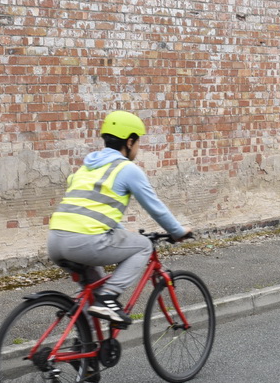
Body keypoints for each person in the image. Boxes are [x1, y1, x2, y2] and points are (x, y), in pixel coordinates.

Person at [47, 110, 192, 326]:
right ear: (130, 141)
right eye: (138, 142)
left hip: (55, 241)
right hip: (85, 241)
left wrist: (123, 234)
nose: (138, 148)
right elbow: (156, 208)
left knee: (91, 292)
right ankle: (109, 297)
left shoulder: (85, 169)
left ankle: (85, 343)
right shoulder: (126, 169)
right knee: (143, 246)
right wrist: (178, 232)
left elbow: (95, 212)